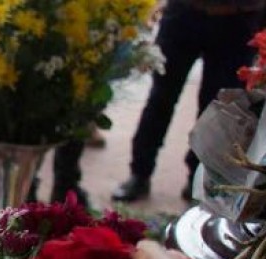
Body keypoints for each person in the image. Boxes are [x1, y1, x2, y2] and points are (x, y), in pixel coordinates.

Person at [112, 0, 264, 204]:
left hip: (238, 19)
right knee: (161, 97)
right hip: (184, 13)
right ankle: (139, 172)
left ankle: (198, 180)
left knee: (218, 110)